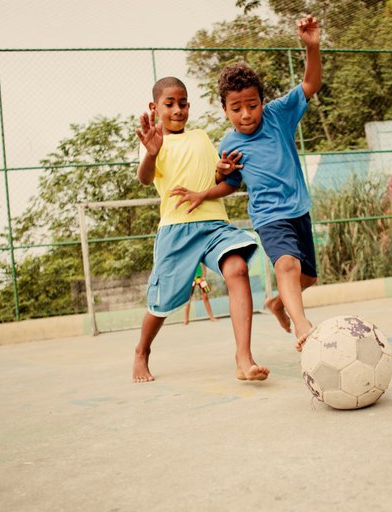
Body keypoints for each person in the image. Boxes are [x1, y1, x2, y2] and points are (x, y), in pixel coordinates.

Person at [173, 15, 322, 351]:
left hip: (298, 209)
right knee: (287, 264)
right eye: (236, 108)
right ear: (225, 110)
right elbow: (231, 183)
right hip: (269, 217)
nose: (245, 114)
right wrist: (209, 186)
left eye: (252, 105)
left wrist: (312, 47)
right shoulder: (229, 143)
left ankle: (278, 303)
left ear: (262, 102)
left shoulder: (279, 115)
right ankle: (302, 324)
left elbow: (310, 84)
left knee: (308, 276)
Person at [132, 76, 269, 383]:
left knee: (237, 269)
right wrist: (151, 153)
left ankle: (243, 358)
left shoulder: (201, 138)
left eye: (182, 103)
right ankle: (142, 351)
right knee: (160, 304)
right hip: (177, 229)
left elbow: (217, 180)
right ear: (155, 107)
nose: (177, 110)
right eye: (169, 104)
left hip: (214, 224)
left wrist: (223, 171)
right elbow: (144, 178)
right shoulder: (154, 141)